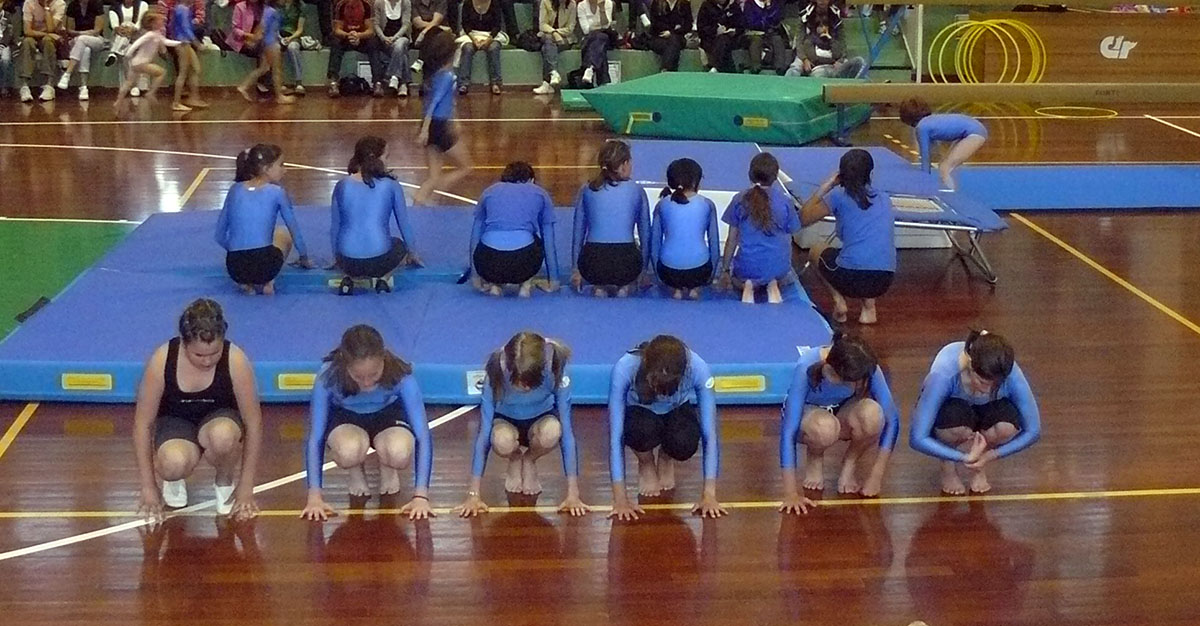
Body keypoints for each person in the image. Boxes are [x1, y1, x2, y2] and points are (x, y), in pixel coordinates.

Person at [133, 299, 263, 522]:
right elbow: (142, 424)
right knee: (173, 463)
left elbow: (254, 423)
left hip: (219, 419)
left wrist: (246, 485)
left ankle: (224, 480)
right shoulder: (162, 360)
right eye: (199, 355)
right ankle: (174, 479)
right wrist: (148, 486)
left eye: (215, 353)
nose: (207, 361)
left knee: (223, 436)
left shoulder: (236, 360)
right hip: (176, 422)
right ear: (184, 344)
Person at [301, 325, 434, 521]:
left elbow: (423, 434)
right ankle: (355, 469)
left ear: (383, 359)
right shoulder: (328, 377)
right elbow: (315, 437)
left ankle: (388, 466)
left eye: (374, 375)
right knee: (348, 452)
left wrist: (421, 496)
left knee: (399, 453)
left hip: (387, 416)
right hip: (346, 419)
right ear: (345, 365)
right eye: (358, 377)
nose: (367, 383)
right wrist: (314, 497)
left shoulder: (400, 375)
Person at [454, 332, 588, 516]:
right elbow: (483, 434)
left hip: (540, 421)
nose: (525, 388)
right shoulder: (496, 372)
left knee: (553, 431)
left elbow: (567, 434)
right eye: (519, 382)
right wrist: (473, 494)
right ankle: (515, 457)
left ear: (541, 370)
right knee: (501, 439)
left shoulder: (555, 371)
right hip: (505, 422)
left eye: (530, 383)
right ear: (510, 369)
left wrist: (573, 494)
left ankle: (530, 459)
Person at [779, 334, 900, 514]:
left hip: (842, 411)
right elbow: (789, 431)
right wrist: (791, 494)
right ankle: (815, 457)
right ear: (832, 369)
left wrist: (876, 476)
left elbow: (892, 420)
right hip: (810, 417)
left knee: (874, 414)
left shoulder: (866, 366)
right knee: (825, 427)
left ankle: (850, 464)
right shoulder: (807, 365)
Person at [608, 335, 725, 520]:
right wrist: (620, 499)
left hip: (676, 410)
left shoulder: (698, 368)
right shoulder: (626, 367)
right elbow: (616, 436)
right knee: (641, 430)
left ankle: (666, 455)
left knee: (684, 443)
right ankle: (646, 462)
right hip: (641, 413)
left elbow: (709, 434)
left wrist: (709, 495)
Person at [909, 330, 1040, 495]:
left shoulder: (1011, 373)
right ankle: (948, 466)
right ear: (970, 366)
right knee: (954, 427)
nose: (988, 390)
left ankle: (979, 464)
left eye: (996, 385)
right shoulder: (944, 374)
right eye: (983, 382)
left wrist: (990, 455)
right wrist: (962, 457)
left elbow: (1033, 430)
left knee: (1005, 427)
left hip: (988, 409)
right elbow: (917, 437)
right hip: (954, 410)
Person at [800, 148, 895, 324]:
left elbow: (803, 219)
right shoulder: (885, 198)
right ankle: (869, 309)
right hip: (884, 280)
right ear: (871, 174)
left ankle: (839, 301)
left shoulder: (838, 196)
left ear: (841, 175)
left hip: (850, 277)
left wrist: (826, 186)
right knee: (868, 254)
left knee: (816, 250)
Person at [215, 143, 313, 294]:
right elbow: (294, 230)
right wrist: (304, 257)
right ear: (266, 169)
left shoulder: (234, 189)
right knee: (283, 233)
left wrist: (238, 251)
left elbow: (219, 236)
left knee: (258, 238)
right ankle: (269, 281)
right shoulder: (277, 192)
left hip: (235, 269)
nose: (285, 170)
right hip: (265, 267)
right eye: (281, 165)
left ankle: (246, 284)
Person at [331, 135, 421, 294]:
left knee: (350, 243)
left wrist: (336, 258)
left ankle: (348, 278)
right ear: (377, 159)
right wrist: (412, 253)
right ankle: (383, 279)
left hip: (347, 262)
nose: (387, 162)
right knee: (399, 244)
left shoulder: (341, 185)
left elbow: (335, 228)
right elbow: (404, 224)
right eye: (386, 157)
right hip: (380, 261)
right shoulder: (391, 185)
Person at [718, 152, 801, 304]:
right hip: (779, 268)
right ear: (775, 177)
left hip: (747, 268)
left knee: (736, 279)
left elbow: (732, 239)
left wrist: (725, 270)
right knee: (785, 275)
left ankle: (747, 285)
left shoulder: (740, 199)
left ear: (750, 175)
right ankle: (772, 283)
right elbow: (792, 233)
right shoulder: (785, 201)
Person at [571, 140, 651, 297]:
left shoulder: (587, 189)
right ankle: (623, 287)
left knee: (599, 267)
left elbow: (578, 232)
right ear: (624, 164)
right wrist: (643, 271)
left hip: (592, 265)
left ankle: (599, 287)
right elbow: (645, 234)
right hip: (626, 265)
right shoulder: (636, 190)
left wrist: (576, 269)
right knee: (629, 255)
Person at [469, 161, 561, 297]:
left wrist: (475, 277)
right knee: (535, 239)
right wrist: (554, 280)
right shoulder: (540, 193)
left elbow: (475, 236)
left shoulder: (489, 192)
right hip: (523, 262)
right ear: (531, 180)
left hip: (488, 262)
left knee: (489, 237)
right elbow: (548, 241)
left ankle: (495, 284)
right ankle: (525, 285)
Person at [413, 32, 473, 204]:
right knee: (466, 167)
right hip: (439, 126)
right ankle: (433, 195)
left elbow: (445, 101)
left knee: (433, 176)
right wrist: (425, 130)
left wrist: (454, 120)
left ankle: (421, 201)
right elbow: (434, 102)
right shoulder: (447, 76)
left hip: (435, 125)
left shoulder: (435, 75)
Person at [651, 158, 720, 300]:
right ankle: (695, 288)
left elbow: (655, 243)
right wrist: (710, 276)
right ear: (696, 182)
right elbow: (714, 244)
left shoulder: (662, 205)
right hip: (700, 271)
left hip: (668, 272)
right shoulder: (707, 204)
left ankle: (676, 288)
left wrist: (659, 276)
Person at [900, 97, 988, 192]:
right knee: (946, 165)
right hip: (972, 129)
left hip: (973, 133)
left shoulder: (921, 128)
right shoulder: (930, 121)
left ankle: (951, 194)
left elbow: (925, 157)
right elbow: (935, 152)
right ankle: (951, 189)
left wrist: (924, 182)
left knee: (945, 168)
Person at [115, 10, 181, 110]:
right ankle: (151, 93)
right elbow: (137, 43)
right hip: (141, 63)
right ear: (153, 24)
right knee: (161, 72)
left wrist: (179, 43)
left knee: (128, 82)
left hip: (135, 63)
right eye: (160, 21)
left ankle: (118, 102)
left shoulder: (156, 34)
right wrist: (128, 53)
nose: (162, 22)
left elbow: (166, 42)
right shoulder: (150, 34)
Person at [236, 0, 297, 103]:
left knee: (264, 68)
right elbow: (262, 27)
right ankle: (279, 96)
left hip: (269, 42)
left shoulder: (270, 10)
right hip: (271, 43)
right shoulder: (271, 11)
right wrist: (254, 39)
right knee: (276, 69)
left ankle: (244, 86)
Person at [327, 0, 385, 97]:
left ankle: (377, 83)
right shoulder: (341, 5)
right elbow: (337, 30)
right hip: (345, 37)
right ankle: (333, 83)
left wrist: (359, 36)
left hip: (362, 38)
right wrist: (348, 35)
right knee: (335, 42)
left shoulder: (366, 5)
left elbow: (370, 30)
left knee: (374, 43)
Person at [786, 11, 863, 79]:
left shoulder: (833, 40)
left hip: (835, 70)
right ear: (816, 28)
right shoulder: (809, 40)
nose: (823, 28)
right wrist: (832, 61)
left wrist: (830, 39)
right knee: (814, 73)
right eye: (820, 26)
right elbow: (814, 59)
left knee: (859, 61)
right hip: (819, 70)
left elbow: (837, 53)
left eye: (825, 26)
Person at [55, 0, 106, 101]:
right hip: (76, 38)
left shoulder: (97, 4)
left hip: (96, 40)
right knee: (85, 50)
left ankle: (67, 73)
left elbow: (97, 30)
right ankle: (83, 87)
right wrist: (82, 33)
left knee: (82, 40)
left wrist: (83, 34)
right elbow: (70, 30)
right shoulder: (72, 5)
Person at [164, 0, 210, 110]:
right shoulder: (182, 9)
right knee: (183, 72)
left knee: (195, 69)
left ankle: (194, 97)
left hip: (184, 42)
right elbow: (186, 28)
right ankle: (176, 102)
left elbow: (176, 26)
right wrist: (197, 44)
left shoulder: (182, 8)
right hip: (183, 43)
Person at [19, 0, 66, 103]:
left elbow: (51, 29)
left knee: (48, 41)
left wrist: (46, 8)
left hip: (53, 38)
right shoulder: (29, 2)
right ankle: (24, 86)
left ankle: (49, 85)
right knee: (27, 42)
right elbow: (27, 31)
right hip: (35, 35)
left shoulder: (59, 3)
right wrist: (48, 34)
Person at [457, 0, 503, 95]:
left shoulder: (495, 3)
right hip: (471, 34)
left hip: (491, 35)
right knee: (467, 48)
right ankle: (463, 83)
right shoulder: (468, 2)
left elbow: (497, 26)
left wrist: (488, 40)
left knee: (494, 48)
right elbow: (465, 24)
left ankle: (496, 83)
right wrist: (474, 39)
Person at [106, 0, 151, 98]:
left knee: (128, 27)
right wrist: (120, 29)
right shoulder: (114, 7)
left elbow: (140, 22)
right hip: (122, 36)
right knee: (127, 52)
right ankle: (132, 86)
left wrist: (131, 29)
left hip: (139, 35)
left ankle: (113, 52)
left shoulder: (143, 4)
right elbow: (114, 25)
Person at [532, 0, 575, 95]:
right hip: (547, 35)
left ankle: (548, 82)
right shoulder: (545, 2)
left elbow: (570, 28)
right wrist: (554, 33)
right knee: (548, 40)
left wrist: (557, 33)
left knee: (546, 48)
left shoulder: (572, 4)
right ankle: (553, 72)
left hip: (564, 38)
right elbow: (542, 24)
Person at [374, 0, 412, 96]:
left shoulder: (406, 3)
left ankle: (393, 76)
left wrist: (395, 38)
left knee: (399, 45)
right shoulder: (379, 3)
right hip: (384, 39)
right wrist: (383, 38)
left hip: (401, 37)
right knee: (402, 54)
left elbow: (406, 24)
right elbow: (376, 24)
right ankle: (403, 84)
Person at [742, 0, 788, 75]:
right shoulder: (749, 4)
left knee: (778, 40)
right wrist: (765, 22)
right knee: (756, 41)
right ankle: (756, 68)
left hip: (770, 32)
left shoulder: (774, 4)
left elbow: (776, 19)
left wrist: (769, 7)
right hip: (754, 32)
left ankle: (780, 68)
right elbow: (751, 22)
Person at [575, 0, 614, 86]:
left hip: (608, 38)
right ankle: (602, 80)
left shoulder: (608, 3)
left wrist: (602, 10)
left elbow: (606, 26)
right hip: (592, 38)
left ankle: (590, 67)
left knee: (601, 37)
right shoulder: (581, 5)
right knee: (600, 41)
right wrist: (599, 27)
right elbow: (585, 29)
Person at [408, 0, 453, 76]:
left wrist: (424, 31)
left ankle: (421, 60)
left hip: (436, 35)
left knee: (434, 37)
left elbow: (437, 20)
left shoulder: (441, 1)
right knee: (433, 35)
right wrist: (437, 27)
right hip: (419, 34)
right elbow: (417, 23)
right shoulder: (414, 2)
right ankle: (433, 75)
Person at [696, 0, 742, 73]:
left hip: (731, 39)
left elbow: (741, 25)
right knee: (722, 41)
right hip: (710, 39)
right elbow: (701, 28)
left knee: (724, 40)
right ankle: (725, 69)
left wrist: (735, 31)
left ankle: (716, 67)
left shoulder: (733, 7)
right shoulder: (706, 6)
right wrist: (715, 31)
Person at [643, 0, 690, 73]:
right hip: (659, 37)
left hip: (678, 37)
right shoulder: (657, 3)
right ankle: (670, 71)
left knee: (674, 41)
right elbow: (655, 24)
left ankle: (666, 69)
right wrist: (674, 28)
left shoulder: (684, 4)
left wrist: (671, 32)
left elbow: (688, 25)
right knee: (672, 46)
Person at [279, 0, 307, 94]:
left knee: (293, 47)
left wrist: (290, 38)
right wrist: (280, 38)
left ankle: (299, 82)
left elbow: (300, 29)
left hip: (293, 35)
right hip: (278, 35)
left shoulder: (301, 6)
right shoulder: (277, 4)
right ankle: (280, 82)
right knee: (275, 48)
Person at [0, 0, 14, 100]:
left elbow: (10, 33)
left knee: (5, 59)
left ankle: (4, 87)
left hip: (4, 44)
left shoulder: (7, 16)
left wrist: (2, 45)